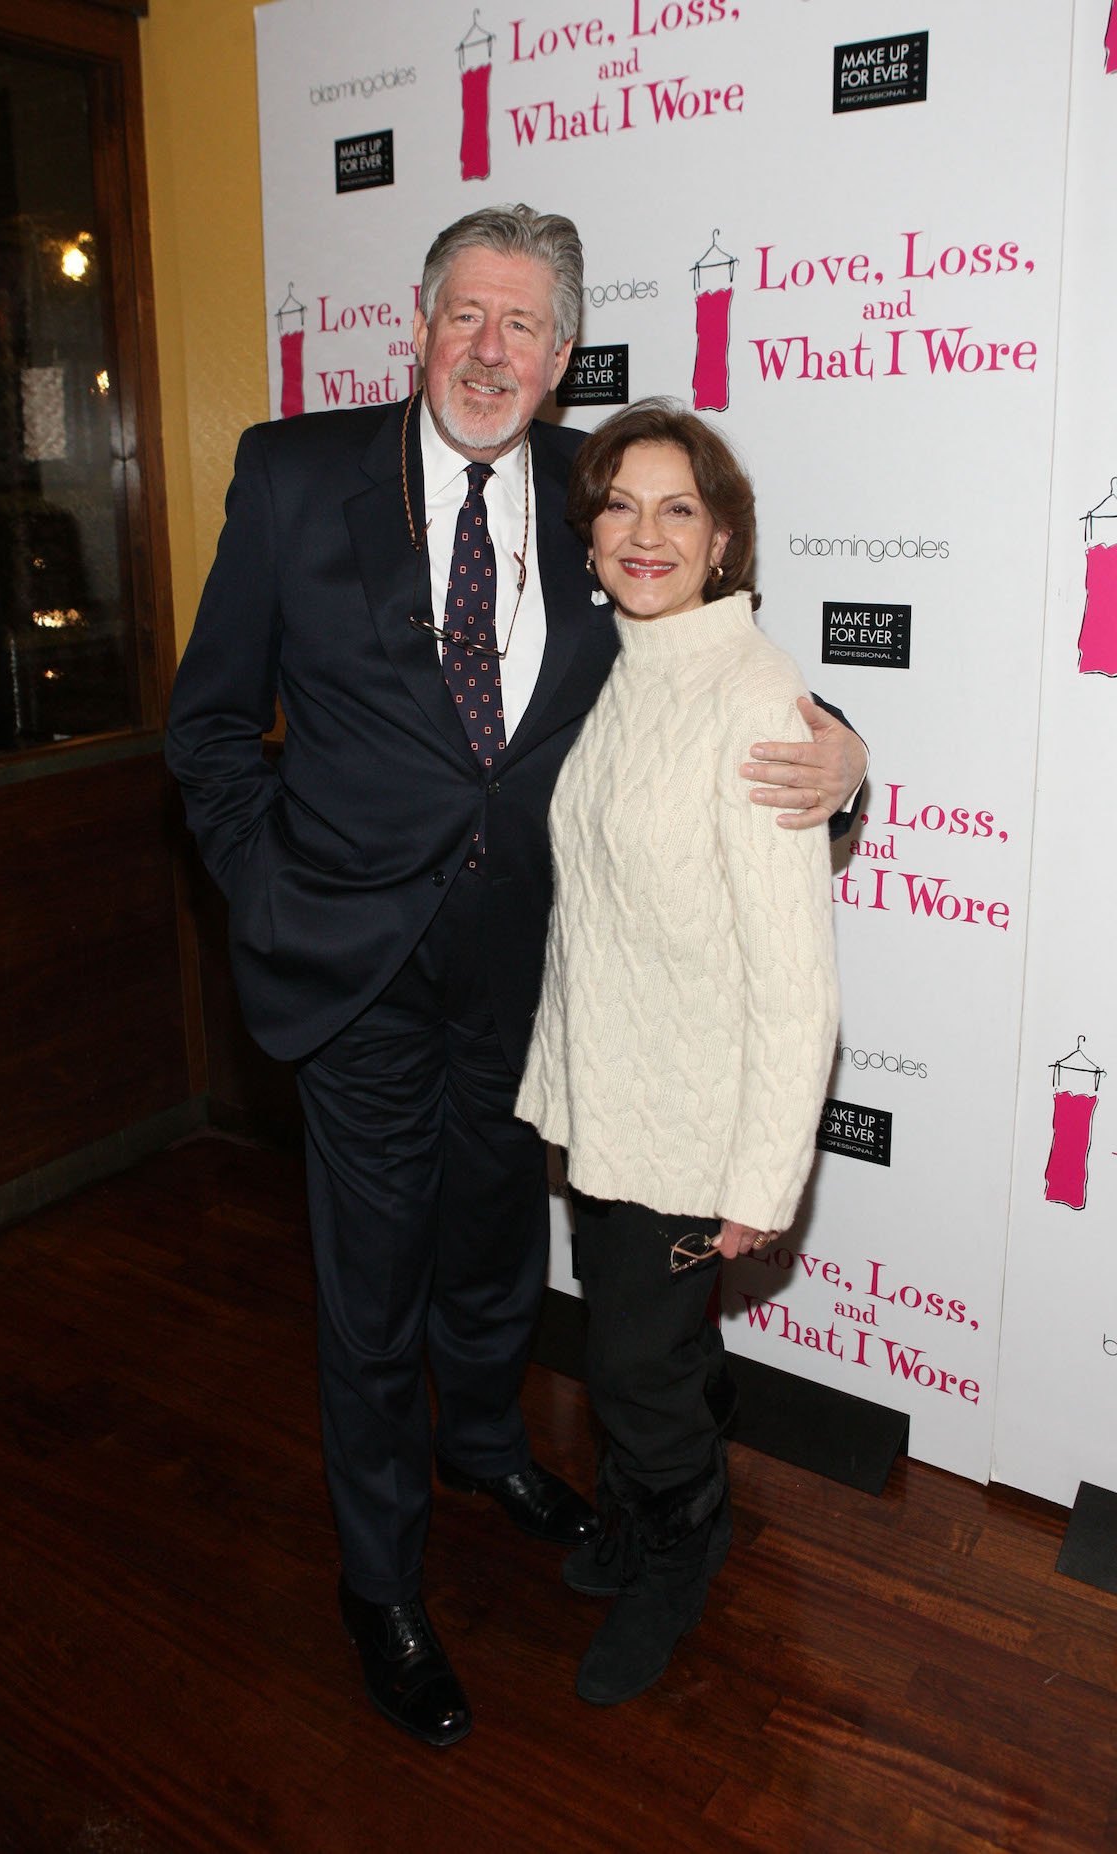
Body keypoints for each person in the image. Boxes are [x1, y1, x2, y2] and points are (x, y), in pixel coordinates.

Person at [165, 206, 865, 1749]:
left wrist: (849, 751)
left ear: (562, 358)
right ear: (418, 323)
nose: (492, 350)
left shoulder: (590, 495)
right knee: (371, 1290)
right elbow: (208, 725)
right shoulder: (292, 477)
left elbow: (708, 662)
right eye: (467, 316)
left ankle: (484, 1443)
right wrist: (268, 888)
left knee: (493, 1250)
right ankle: (379, 1580)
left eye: (525, 327)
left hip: (532, 977)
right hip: (351, 978)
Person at [516, 399, 840, 1708]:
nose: (644, 533)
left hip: (691, 1119)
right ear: (590, 537)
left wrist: (766, 1174)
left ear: (722, 544)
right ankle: (645, 1508)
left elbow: (797, 978)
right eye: (619, 505)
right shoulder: (622, 665)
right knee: (636, 1350)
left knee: (638, 1364)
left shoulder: (758, 704)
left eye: (678, 510)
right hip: (608, 1097)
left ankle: (682, 1535)